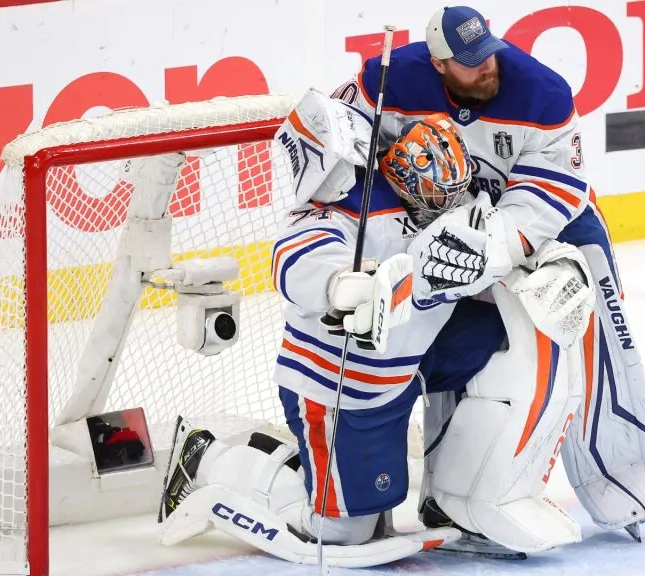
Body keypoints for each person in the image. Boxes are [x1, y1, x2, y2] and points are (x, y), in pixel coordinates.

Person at [155, 92, 594, 565]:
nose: (447, 203)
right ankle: (204, 456)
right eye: (432, 193)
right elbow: (295, 264)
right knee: (345, 532)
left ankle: (455, 497)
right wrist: (348, 284)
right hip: (343, 384)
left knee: (508, 335)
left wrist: (551, 262)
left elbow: (496, 242)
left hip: (412, 360)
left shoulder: (454, 195)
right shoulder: (338, 211)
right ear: (400, 174)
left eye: (454, 189)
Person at [331, 5, 645, 544]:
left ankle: (625, 478)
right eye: (471, 65)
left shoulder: (541, 92)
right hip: (450, 225)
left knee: (593, 336)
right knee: (451, 342)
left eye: (487, 55)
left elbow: (553, 191)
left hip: (554, 226)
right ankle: (448, 497)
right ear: (439, 64)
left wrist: (492, 245)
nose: (487, 69)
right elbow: (344, 133)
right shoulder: (393, 78)